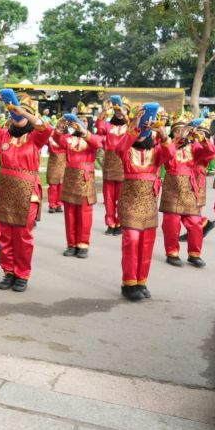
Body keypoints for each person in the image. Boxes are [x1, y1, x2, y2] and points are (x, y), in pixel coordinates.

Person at [0, 93, 52, 292]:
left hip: (27, 192)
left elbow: (46, 128)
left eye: (21, 113)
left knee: (22, 234)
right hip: (5, 191)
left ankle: (22, 273)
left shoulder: (35, 138)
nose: (17, 116)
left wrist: (24, 112)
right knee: (5, 233)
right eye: (13, 112)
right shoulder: (5, 135)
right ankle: (8, 271)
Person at [116, 111, 175, 300]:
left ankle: (141, 281)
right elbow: (120, 146)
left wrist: (163, 134)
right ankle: (129, 283)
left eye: (146, 128)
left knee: (146, 243)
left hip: (149, 202)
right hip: (129, 201)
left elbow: (171, 154)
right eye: (140, 128)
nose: (142, 132)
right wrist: (136, 126)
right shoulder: (126, 150)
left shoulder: (157, 151)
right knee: (132, 239)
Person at [159, 117, 215, 268]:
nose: (182, 132)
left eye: (183, 130)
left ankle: (194, 254)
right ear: (173, 133)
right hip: (172, 187)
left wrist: (202, 139)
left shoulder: (194, 147)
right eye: (177, 131)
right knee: (171, 223)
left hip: (190, 189)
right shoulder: (167, 146)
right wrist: (176, 140)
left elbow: (211, 153)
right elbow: (166, 154)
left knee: (195, 223)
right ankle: (172, 253)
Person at [56, 111, 103, 258]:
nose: (81, 122)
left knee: (84, 213)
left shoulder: (92, 138)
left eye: (84, 120)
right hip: (70, 177)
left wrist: (84, 132)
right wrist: (60, 125)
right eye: (78, 120)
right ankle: (71, 244)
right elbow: (57, 139)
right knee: (69, 213)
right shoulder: (68, 139)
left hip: (85, 178)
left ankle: (83, 244)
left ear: (88, 123)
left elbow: (97, 144)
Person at [96, 97, 130, 235]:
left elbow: (135, 128)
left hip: (124, 164)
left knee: (122, 198)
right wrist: (104, 111)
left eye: (122, 110)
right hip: (110, 165)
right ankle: (110, 223)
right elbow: (99, 125)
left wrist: (125, 114)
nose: (119, 113)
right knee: (109, 198)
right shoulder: (108, 126)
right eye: (116, 110)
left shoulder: (128, 127)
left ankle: (121, 222)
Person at [46, 121, 68, 214]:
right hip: (53, 164)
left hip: (63, 164)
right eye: (58, 126)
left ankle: (59, 204)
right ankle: (52, 205)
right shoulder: (50, 138)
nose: (60, 128)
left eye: (62, 127)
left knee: (61, 186)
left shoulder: (67, 138)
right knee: (53, 186)